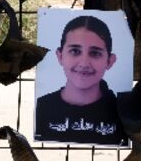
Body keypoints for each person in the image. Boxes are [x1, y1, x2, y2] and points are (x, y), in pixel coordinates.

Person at [35, 15, 128, 145]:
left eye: (95, 53)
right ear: (60, 56)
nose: (84, 63)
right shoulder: (41, 107)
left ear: (109, 61)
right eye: (74, 51)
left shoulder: (122, 113)